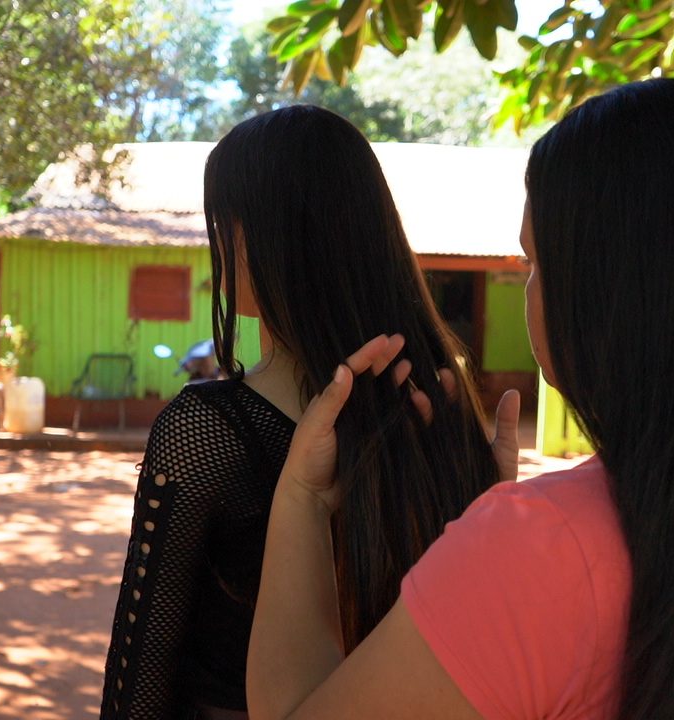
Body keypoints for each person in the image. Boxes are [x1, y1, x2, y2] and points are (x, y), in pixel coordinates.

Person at [247, 79, 674, 720]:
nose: (529, 290)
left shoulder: (539, 552)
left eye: (534, 264)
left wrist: (302, 499)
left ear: (606, 294)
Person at [99, 105, 503, 720]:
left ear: (266, 235)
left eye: (225, 219)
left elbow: (141, 676)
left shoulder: (207, 431)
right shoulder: (440, 414)